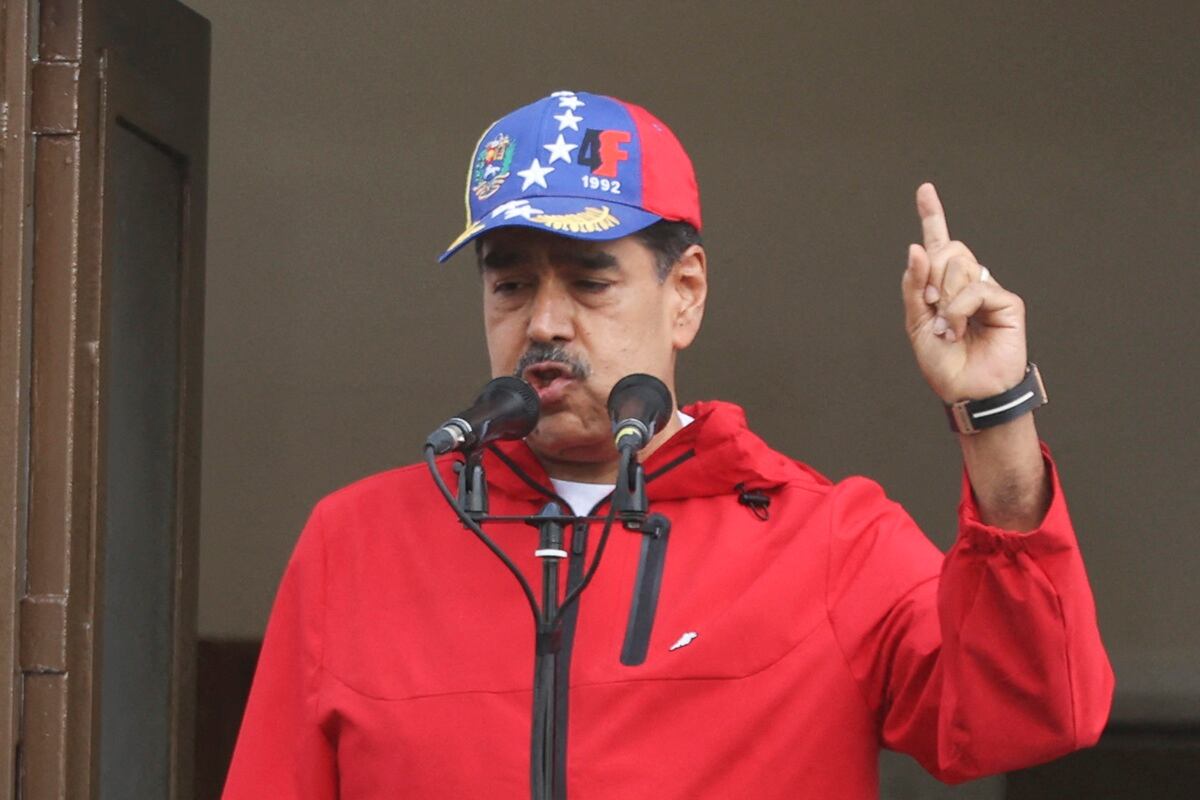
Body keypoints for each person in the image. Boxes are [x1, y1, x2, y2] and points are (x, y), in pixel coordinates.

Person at [222, 91, 1113, 799]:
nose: (544, 322)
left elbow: (1035, 713)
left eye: (589, 282)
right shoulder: (355, 544)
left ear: (685, 294)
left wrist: (997, 415)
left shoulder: (830, 543)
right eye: (511, 285)